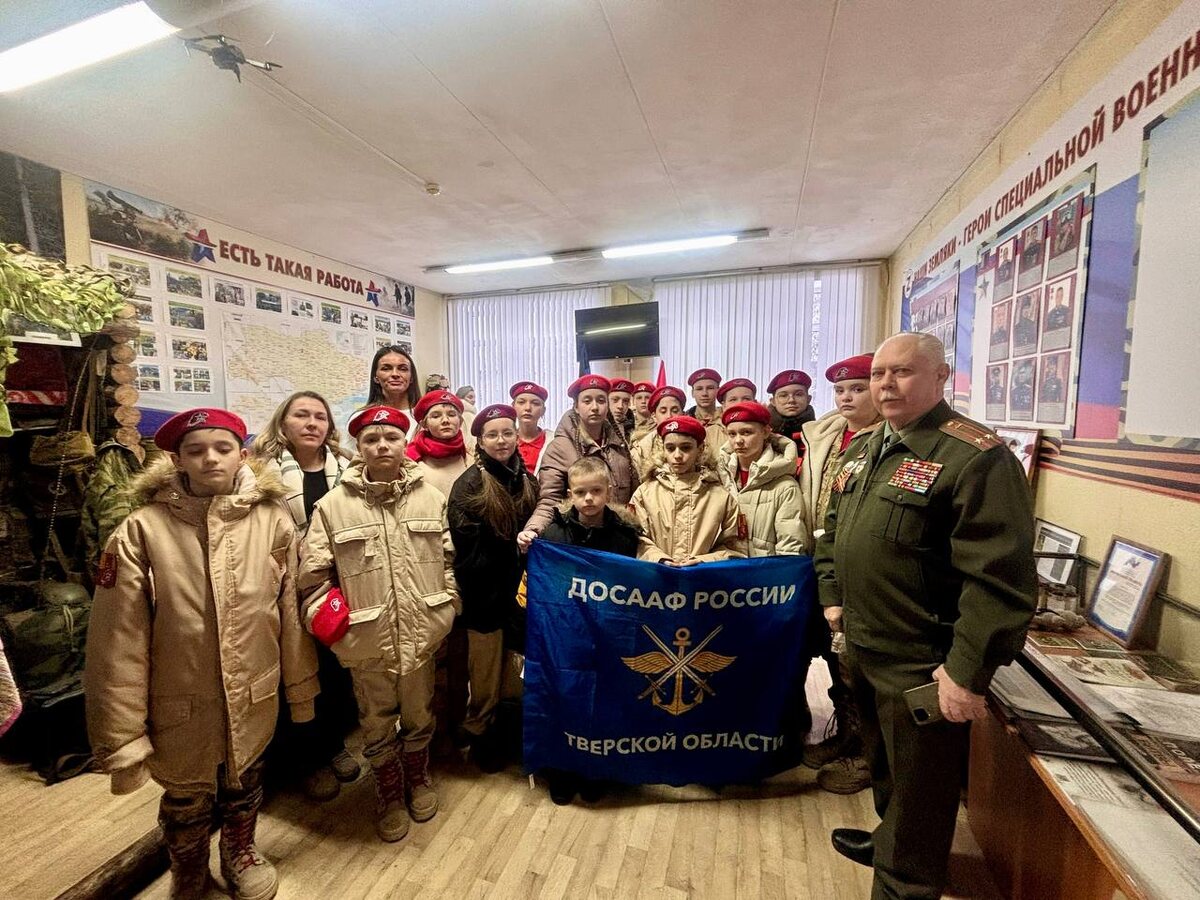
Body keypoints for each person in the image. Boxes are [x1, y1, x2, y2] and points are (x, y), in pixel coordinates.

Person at [816, 333, 1036, 898]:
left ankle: (905, 880)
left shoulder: (975, 458)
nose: (886, 384)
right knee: (886, 768)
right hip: (865, 641)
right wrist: (832, 593)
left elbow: (998, 580)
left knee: (921, 787)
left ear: (941, 377)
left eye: (903, 372)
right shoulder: (867, 447)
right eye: (878, 374)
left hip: (921, 659)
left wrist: (967, 671)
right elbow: (833, 529)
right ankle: (891, 840)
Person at [85, 408, 319, 900]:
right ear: (176, 460)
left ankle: (240, 850)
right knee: (185, 794)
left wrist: (300, 688)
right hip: (179, 696)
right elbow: (117, 643)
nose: (210, 458)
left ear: (243, 455)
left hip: (254, 688)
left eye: (222, 448)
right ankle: (188, 868)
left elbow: (289, 615)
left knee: (245, 779)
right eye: (195, 451)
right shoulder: (141, 531)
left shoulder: (272, 520)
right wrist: (122, 739)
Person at [299, 406, 459, 843]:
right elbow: (313, 579)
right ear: (359, 447)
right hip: (366, 639)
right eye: (371, 439)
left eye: (391, 437)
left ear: (405, 442)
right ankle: (388, 788)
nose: (382, 446)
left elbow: (448, 561)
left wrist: (447, 608)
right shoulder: (333, 506)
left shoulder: (430, 498)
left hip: (423, 631)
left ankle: (417, 776)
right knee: (375, 718)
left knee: (419, 712)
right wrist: (340, 633)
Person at [252, 392, 360, 803]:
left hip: (339, 583)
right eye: (302, 415)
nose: (312, 423)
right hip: (286, 586)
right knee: (297, 673)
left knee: (336, 669)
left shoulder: (348, 468)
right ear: (284, 423)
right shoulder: (262, 476)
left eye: (320, 417)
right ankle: (307, 758)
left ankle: (334, 744)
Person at [798, 354, 883, 795]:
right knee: (836, 658)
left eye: (858, 389)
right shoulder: (827, 435)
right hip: (822, 557)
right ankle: (847, 736)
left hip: (862, 567)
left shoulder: (888, 437)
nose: (847, 398)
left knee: (860, 665)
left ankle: (868, 756)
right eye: (840, 390)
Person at [536, 456, 640, 805]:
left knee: (603, 703)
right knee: (564, 700)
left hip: (609, 634)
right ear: (570, 494)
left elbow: (631, 585)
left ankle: (595, 770)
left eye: (596, 491)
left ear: (609, 491)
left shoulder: (625, 535)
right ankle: (562, 770)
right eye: (581, 492)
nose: (589, 499)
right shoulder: (554, 534)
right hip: (567, 635)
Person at [447, 404, 538, 773]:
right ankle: (480, 735)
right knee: (484, 677)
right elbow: (467, 552)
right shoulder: (468, 485)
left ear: (516, 437)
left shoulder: (527, 480)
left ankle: (506, 734)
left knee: (512, 675)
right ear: (480, 442)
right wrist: (511, 552)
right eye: (492, 435)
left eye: (507, 433)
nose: (501, 441)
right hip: (484, 599)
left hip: (521, 597)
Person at [518, 374, 636, 544]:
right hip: (579, 538)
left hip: (617, 536)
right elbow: (549, 500)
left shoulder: (620, 443)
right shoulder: (560, 448)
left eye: (601, 401)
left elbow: (634, 493)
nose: (595, 407)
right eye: (587, 401)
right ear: (576, 407)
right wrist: (533, 529)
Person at [631, 415, 746, 564]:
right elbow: (636, 538)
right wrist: (659, 559)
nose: (677, 455)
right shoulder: (645, 493)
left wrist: (703, 561)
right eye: (670, 448)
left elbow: (735, 546)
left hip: (702, 577)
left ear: (700, 449)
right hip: (657, 575)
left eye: (686, 448)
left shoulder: (720, 496)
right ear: (663, 449)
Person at [406, 389, 471, 497]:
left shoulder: (472, 457)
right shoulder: (409, 459)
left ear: (460, 421)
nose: (445, 420)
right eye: (436, 416)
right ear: (424, 424)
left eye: (451, 414)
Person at [630, 385, 686, 480]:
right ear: (654, 416)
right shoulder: (642, 448)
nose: (669, 416)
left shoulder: (693, 442)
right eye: (663, 411)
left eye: (675, 411)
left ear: (683, 414)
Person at [363, 345, 421, 437]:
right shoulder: (362, 418)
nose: (395, 374)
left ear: (411, 377)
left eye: (403, 369)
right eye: (386, 369)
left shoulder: (429, 416)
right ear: (375, 377)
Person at [767, 369, 815, 453]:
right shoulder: (763, 433)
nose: (791, 400)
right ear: (773, 401)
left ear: (808, 399)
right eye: (783, 395)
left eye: (798, 394)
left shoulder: (819, 432)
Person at [510, 380, 551, 474]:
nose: (528, 408)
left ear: (543, 410)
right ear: (513, 407)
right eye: (521, 402)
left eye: (535, 403)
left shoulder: (553, 441)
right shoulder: (505, 441)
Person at [607, 378, 636, 443]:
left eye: (625, 401)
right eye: (615, 400)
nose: (620, 406)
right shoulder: (597, 428)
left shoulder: (634, 428)